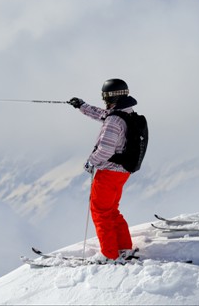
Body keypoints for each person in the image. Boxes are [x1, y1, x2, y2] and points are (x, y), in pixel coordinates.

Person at [69, 78, 137, 263]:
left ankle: (109, 254)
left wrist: (91, 162)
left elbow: (106, 149)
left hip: (108, 172)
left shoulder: (114, 120)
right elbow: (104, 115)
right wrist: (82, 106)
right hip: (121, 171)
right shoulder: (126, 113)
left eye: (104, 96)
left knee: (100, 211)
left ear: (110, 96)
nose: (103, 100)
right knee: (111, 210)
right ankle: (124, 248)